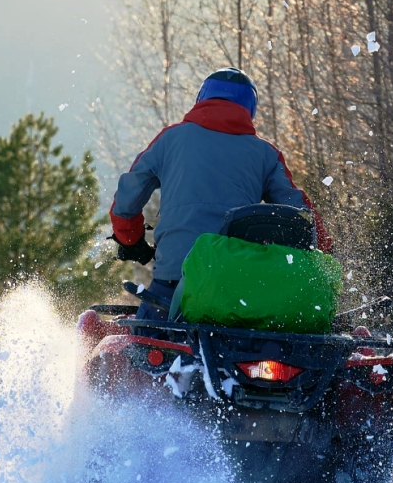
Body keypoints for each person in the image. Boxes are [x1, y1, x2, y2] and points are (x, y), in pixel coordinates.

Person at [110, 68, 332, 318]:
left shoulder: (170, 139)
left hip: (172, 282)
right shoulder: (266, 155)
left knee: (149, 335)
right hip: (236, 287)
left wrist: (131, 241)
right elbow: (303, 218)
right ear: (250, 107)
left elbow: (126, 201)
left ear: (202, 98)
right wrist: (326, 253)